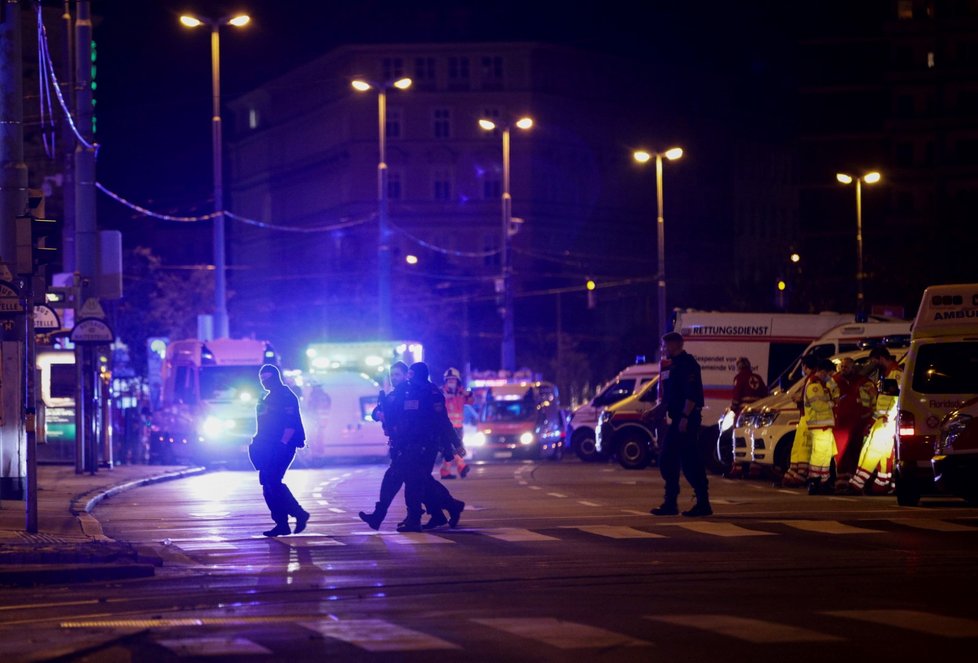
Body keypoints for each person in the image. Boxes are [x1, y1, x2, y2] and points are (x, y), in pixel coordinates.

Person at [359, 362, 461, 531]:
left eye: (399, 374)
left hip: (422, 445)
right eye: (392, 375)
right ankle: (441, 511)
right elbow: (385, 410)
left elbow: (441, 421)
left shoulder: (427, 392)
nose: (394, 378)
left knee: (410, 481)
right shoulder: (403, 392)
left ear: (409, 375)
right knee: (418, 482)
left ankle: (410, 518)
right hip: (406, 444)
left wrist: (453, 444)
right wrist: (380, 412)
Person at [650, 332, 711, 517]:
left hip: (687, 420)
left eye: (666, 345)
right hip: (677, 419)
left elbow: (692, 395)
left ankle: (701, 503)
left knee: (689, 462)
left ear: (676, 344)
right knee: (669, 460)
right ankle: (671, 503)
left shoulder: (688, 365)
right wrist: (653, 412)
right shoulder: (672, 367)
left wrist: (684, 417)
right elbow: (669, 399)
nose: (663, 349)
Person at [249, 364, 310, 537]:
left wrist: (282, 444)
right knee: (269, 484)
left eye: (267, 379)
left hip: (281, 446)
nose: (265, 383)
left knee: (271, 481)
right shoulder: (267, 398)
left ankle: (298, 514)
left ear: (275, 378)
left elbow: (290, 423)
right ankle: (282, 523)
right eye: (262, 380)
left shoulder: (285, 396)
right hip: (268, 447)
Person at [846, 347, 903, 495]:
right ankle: (882, 484)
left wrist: (888, 417)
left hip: (886, 421)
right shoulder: (889, 373)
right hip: (885, 420)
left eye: (874, 361)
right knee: (885, 455)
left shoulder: (896, 374)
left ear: (881, 358)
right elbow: (887, 398)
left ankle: (857, 484)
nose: (873, 364)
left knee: (872, 450)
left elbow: (897, 399)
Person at [831, 357, 876, 490]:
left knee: (856, 451)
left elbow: (873, 401)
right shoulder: (835, 381)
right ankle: (841, 481)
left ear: (853, 367)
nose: (843, 369)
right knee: (840, 452)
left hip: (859, 423)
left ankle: (851, 479)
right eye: (842, 366)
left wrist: (870, 419)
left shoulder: (865, 382)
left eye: (846, 366)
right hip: (840, 423)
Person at [804, 357, 839, 495]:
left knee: (825, 455)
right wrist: (833, 403)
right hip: (819, 426)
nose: (830, 377)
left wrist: (832, 384)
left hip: (825, 425)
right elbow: (818, 406)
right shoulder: (814, 385)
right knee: (818, 456)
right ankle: (814, 481)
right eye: (829, 374)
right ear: (823, 371)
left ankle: (823, 481)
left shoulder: (821, 384)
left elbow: (835, 392)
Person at [439, 367, 471, 479]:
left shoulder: (461, 393)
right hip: (446, 427)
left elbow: (471, 401)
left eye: (453, 379)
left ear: (458, 381)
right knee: (455, 447)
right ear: (445, 381)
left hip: (458, 426)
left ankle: (446, 471)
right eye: (449, 380)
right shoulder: (441, 393)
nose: (451, 382)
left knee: (452, 449)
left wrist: (468, 394)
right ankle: (461, 467)